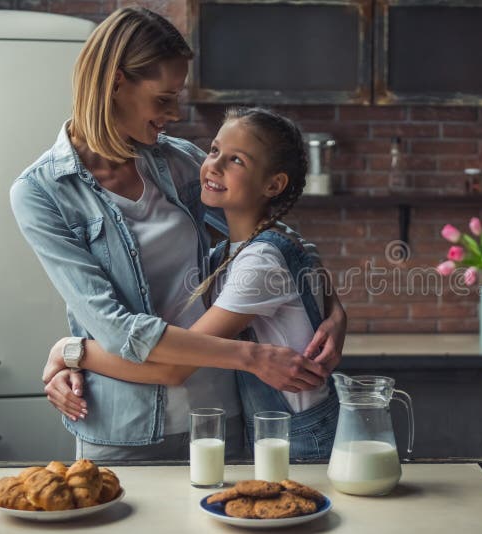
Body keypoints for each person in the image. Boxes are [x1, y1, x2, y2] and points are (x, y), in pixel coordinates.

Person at [9, 7, 346, 461]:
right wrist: (251, 357)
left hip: (220, 416)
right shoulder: (42, 192)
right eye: (164, 98)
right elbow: (117, 330)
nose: (174, 112)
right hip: (122, 430)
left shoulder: (179, 162)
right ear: (116, 82)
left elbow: (269, 242)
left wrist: (335, 310)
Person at [44, 108, 339, 459]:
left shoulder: (258, 263)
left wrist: (68, 350)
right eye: (214, 150)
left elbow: (173, 366)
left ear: (273, 185)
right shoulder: (228, 255)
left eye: (237, 161)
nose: (213, 166)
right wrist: (337, 312)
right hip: (274, 431)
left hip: (300, 439)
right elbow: (301, 253)